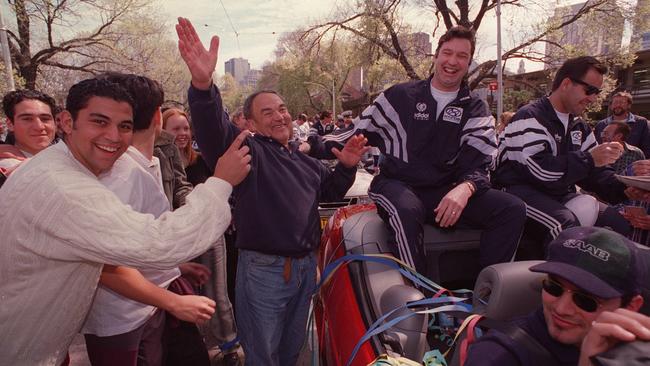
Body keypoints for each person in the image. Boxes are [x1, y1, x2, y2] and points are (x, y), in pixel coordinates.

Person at [0, 77, 251, 365]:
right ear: (67, 122)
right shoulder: (64, 188)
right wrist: (221, 182)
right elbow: (160, 243)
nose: (114, 136)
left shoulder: (61, 169)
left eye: (125, 126)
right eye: (99, 121)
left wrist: (177, 271)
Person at [176, 17, 369, 366]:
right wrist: (203, 86)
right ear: (249, 124)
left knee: (291, 351)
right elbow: (211, 128)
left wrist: (347, 164)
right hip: (263, 271)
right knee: (263, 356)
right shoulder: (249, 151)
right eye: (267, 112)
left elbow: (329, 190)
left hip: (303, 270)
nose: (279, 116)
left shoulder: (303, 160)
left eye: (281, 109)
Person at [308, 26, 526, 274]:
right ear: (436, 56)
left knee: (511, 208)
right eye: (447, 52)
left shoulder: (475, 108)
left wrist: (465, 188)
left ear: (468, 63)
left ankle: (486, 298)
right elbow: (353, 134)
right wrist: (307, 146)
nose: (452, 61)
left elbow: (481, 163)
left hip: (444, 191)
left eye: (462, 56)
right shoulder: (400, 95)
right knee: (407, 209)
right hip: (396, 184)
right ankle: (421, 295)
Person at [494, 56, 631, 241]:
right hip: (515, 191)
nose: (593, 98)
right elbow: (540, 171)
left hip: (557, 194)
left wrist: (626, 189)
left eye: (597, 92)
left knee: (620, 223)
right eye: (589, 90)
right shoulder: (529, 116)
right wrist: (590, 159)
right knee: (564, 226)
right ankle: (554, 270)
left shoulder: (579, 125)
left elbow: (596, 172)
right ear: (566, 83)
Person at [464, 226, 646, 366]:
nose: (561, 309)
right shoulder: (498, 354)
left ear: (631, 306)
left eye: (585, 301)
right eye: (554, 287)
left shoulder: (638, 351)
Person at [0, 89, 56, 170]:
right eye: (27, 119)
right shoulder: (7, 169)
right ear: (10, 124)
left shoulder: (69, 160)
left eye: (45, 119)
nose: (39, 127)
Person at [162, 107, 213, 186]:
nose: (183, 133)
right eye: (176, 129)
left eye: (186, 128)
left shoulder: (203, 161)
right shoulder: (159, 164)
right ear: (163, 132)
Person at [595, 91, 650, 157]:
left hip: (632, 162)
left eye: (621, 102)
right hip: (605, 162)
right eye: (615, 102)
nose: (618, 105)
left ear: (628, 105)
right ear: (611, 106)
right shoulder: (601, 124)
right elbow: (596, 146)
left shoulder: (641, 122)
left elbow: (647, 146)